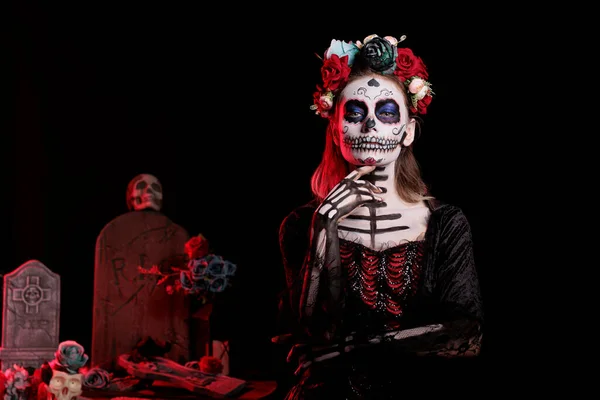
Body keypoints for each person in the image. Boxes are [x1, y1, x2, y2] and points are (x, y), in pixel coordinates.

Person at [274, 34, 484, 399]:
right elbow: (307, 336)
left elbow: (467, 336)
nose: (370, 126)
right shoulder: (300, 224)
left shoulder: (445, 223)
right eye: (354, 113)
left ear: (408, 131)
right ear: (336, 130)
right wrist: (324, 227)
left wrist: (351, 348)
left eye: (386, 112)